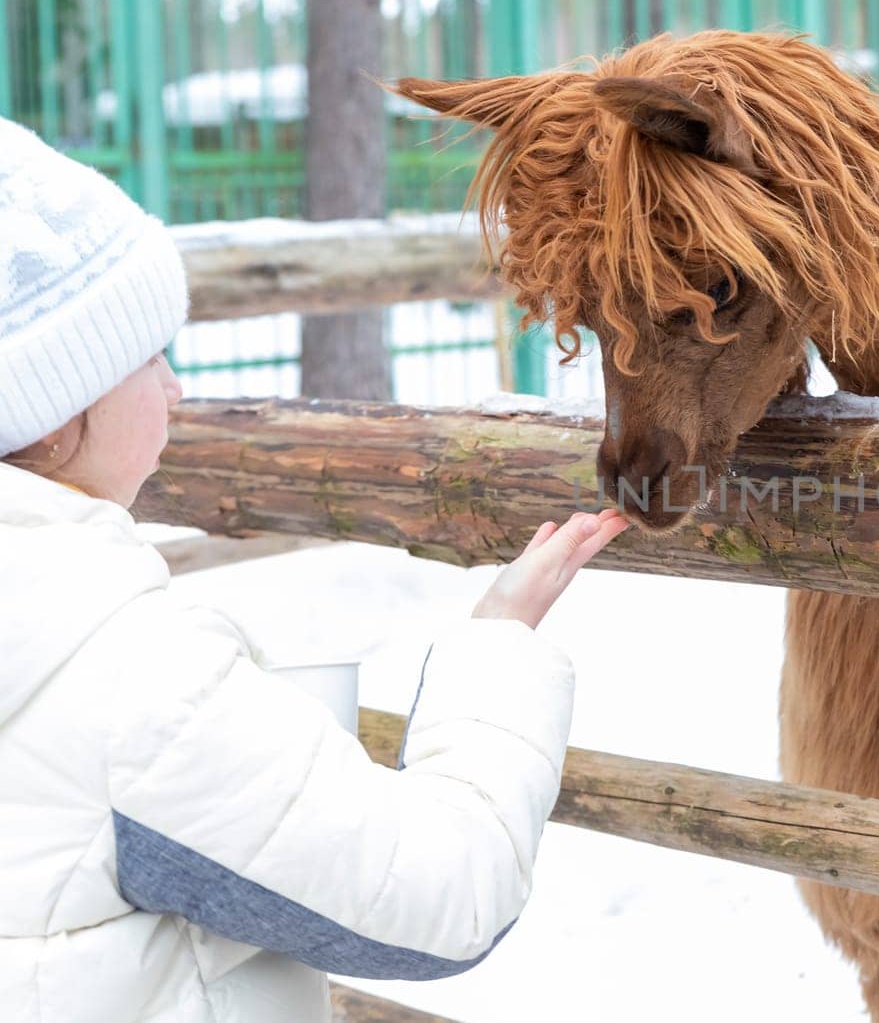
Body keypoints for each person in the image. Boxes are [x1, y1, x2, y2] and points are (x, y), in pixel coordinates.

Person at [0, 115, 629, 1022]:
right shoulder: (122, 681)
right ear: (50, 415)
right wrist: (495, 650)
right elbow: (438, 898)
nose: (175, 386)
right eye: (143, 355)